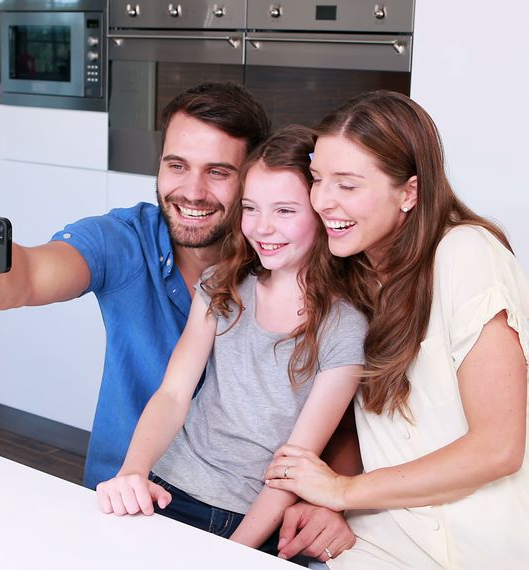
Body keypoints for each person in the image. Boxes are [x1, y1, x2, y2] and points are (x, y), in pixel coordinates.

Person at [0, 82, 355, 561]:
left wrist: (334, 499)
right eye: (176, 165)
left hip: (264, 513)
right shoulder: (127, 240)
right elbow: (25, 277)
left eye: (218, 172)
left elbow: (346, 420)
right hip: (141, 496)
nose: (192, 191)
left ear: (254, 177)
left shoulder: (335, 293)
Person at [264, 91, 529, 569]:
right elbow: (356, 419)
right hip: (384, 539)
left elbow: (499, 447)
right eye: (318, 179)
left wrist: (342, 490)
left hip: (489, 546)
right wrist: (333, 503)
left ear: (409, 191)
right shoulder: (350, 268)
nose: (322, 201)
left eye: (347, 185)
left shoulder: (466, 254)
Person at [95, 126, 367, 562]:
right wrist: (133, 472)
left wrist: (235, 553)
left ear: (320, 212)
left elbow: (293, 465)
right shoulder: (222, 286)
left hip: (248, 518)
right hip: (168, 488)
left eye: (284, 210)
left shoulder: (344, 327)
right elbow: (173, 394)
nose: (262, 227)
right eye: (250, 208)